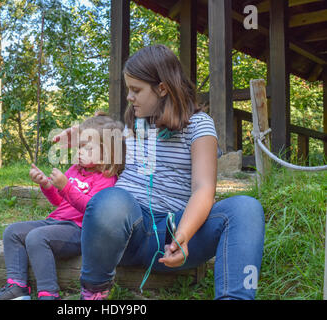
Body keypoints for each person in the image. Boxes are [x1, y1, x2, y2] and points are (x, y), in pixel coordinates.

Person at [53, 44, 265, 300]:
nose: (129, 97)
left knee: (246, 208)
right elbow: (101, 145)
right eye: (128, 90)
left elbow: (204, 188)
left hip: (173, 233)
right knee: (110, 200)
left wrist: (183, 235)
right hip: (127, 233)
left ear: (162, 88)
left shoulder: (199, 125)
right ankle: (94, 292)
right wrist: (81, 135)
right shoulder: (132, 126)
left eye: (136, 90)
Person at [0, 113, 124, 300]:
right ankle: (17, 287)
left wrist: (66, 187)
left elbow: (92, 209)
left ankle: (48, 294)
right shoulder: (76, 169)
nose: (80, 152)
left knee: (37, 237)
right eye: (80, 146)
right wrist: (47, 185)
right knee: (12, 231)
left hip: (79, 230)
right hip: (56, 222)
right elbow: (59, 201)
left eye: (87, 148)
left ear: (107, 153)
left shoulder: (106, 179)